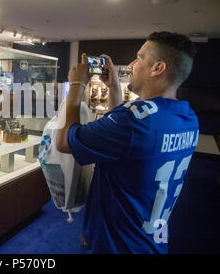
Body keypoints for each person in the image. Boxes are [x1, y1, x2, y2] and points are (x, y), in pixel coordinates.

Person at [56, 32, 199, 254]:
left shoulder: (131, 121)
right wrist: (114, 88)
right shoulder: (188, 117)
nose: (132, 64)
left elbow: (64, 142)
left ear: (157, 68)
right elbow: (126, 142)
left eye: (139, 58)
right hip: (151, 241)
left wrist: (75, 84)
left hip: (116, 244)